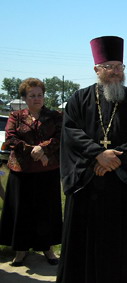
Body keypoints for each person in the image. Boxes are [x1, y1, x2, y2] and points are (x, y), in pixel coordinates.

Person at [56, 36, 127, 283]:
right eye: (109, 66)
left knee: (119, 247)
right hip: (87, 185)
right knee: (83, 245)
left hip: (122, 188)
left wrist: (112, 159)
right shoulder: (78, 100)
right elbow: (70, 134)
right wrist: (97, 154)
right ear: (96, 69)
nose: (115, 72)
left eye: (119, 66)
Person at [0, 78, 63, 266]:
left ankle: (48, 249)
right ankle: (20, 251)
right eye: (32, 95)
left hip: (48, 171)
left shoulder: (55, 116)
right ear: (25, 98)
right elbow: (10, 138)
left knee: (46, 210)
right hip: (22, 172)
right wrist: (33, 150)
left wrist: (44, 149)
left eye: (40, 95)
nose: (37, 99)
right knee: (22, 211)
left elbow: (60, 136)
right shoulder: (16, 116)